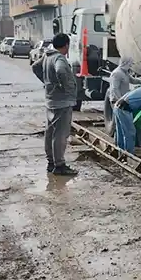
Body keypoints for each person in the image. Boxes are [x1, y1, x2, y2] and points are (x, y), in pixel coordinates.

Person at [35, 33, 79, 175]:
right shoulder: (59, 58)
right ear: (66, 45)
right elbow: (60, 70)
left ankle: (51, 162)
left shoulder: (47, 56)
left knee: (51, 132)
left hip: (51, 100)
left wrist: (47, 83)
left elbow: (35, 66)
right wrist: (65, 87)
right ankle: (59, 165)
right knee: (60, 134)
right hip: (62, 102)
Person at [108, 58, 134, 151]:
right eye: (130, 64)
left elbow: (132, 80)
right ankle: (128, 152)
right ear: (125, 63)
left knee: (119, 127)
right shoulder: (117, 73)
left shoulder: (125, 72)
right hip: (118, 102)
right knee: (128, 129)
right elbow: (115, 89)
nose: (131, 66)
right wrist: (121, 100)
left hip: (121, 101)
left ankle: (120, 149)